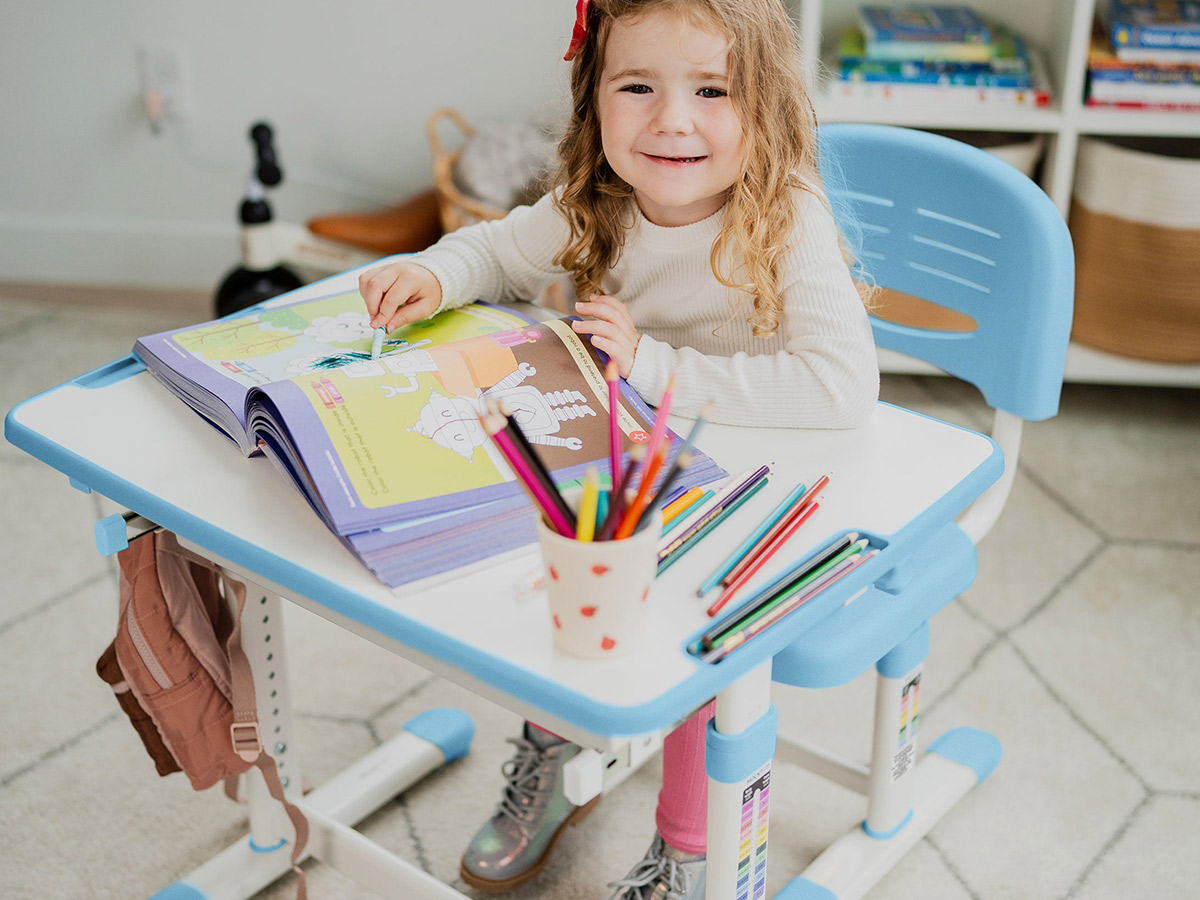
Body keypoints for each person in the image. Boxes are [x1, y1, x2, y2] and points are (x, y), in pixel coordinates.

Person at [360, 0, 879, 895]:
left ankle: (688, 848)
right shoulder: (596, 200)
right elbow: (493, 249)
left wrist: (652, 364)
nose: (672, 118)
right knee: (555, 587)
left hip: (756, 488)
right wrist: (435, 271)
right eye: (637, 85)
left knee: (687, 644)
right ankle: (557, 757)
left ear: (770, 107)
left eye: (712, 89)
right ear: (593, 103)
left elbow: (841, 388)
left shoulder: (785, 214)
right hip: (630, 475)